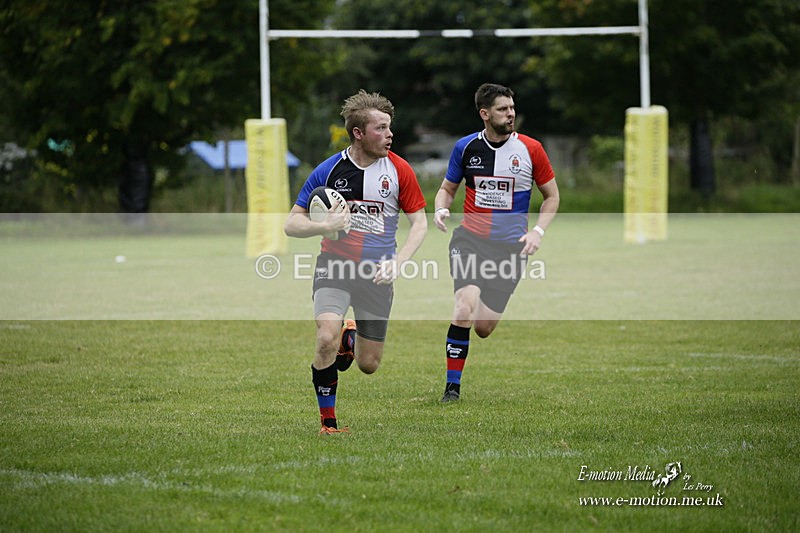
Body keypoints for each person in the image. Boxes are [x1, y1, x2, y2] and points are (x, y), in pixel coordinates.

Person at [284, 89, 427, 434]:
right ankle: (328, 423)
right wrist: (323, 225)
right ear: (358, 133)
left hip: (377, 274)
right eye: (380, 128)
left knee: (369, 364)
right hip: (334, 266)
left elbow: (419, 223)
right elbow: (291, 224)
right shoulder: (329, 170)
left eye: (389, 127)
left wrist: (398, 261)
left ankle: (352, 339)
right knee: (324, 337)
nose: (389, 134)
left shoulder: (399, 171)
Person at [433, 83, 560, 403]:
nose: (511, 113)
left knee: (484, 327)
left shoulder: (531, 149)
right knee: (464, 306)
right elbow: (447, 188)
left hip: (511, 249)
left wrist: (537, 232)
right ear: (485, 114)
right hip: (470, 240)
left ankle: (465, 343)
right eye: (503, 109)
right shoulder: (465, 148)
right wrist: (441, 207)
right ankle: (452, 389)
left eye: (512, 107)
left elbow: (552, 197)